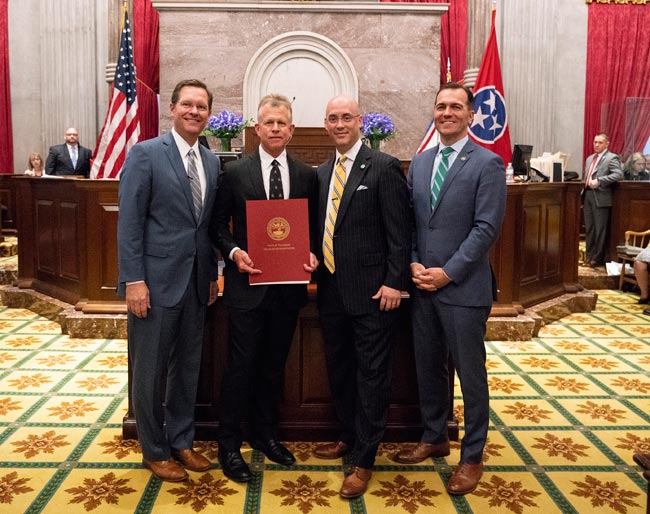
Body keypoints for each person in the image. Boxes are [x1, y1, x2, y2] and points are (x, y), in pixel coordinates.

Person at [393, 82, 506, 496]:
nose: (447, 113)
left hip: (463, 288)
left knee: (470, 376)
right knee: (429, 367)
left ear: (470, 114)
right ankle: (434, 435)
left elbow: (486, 228)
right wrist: (414, 262)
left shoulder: (487, 163)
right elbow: (413, 223)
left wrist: (448, 272)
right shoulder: (421, 163)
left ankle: (472, 455)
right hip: (423, 285)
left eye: (456, 106)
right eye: (440, 106)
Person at [210, 94, 318, 483]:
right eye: (268, 123)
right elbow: (218, 226)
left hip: (288, 290)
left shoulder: (307, 174)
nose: (275, 129)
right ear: (257, 128)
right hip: (247, 286)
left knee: (274, 367)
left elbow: (315, 229)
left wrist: (311, 254)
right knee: (240, 367)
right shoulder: (236, 172)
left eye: (282, 123)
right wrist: (235, 252)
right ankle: (228, 443)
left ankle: (264, 434)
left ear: (291, 129)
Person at [117, 79, 220, 482]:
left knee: (187, 368)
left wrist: (211, 275)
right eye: (188, 105)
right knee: (150, 369)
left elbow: (205, 227)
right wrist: (134, 280)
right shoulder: (145, 154)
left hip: (195, 283)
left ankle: (181, 439)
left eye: (202, 107)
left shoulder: (211, 160)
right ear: (172, 109)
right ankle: (154, 448)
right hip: (154, 284)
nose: (195, 112)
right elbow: (129, 224)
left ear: (209, 114)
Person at [312, 95, 411, 499]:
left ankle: (365, 458)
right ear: (325, 124)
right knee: (339, 368)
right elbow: (321, 229)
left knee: (372, 376)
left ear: (360, 122)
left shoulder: (383, 166)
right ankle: (348, 435)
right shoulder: (321, 173)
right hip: (331, 291)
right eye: (332, 118)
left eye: (346, 117)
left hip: (374, 293)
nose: (339, 124)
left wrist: (394, 281)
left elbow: (400, 232)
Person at [582, 133, 623, 267]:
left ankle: (597, 258)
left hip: (601, 196)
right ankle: (588, 256)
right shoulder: (589, 159)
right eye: (595, 142)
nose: (597, 145)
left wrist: (600, 181)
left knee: (600, 229)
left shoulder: (612, 158)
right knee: (590, 228)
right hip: (588, 194)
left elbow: (618, 174)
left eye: (600, 142)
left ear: (607, 144)